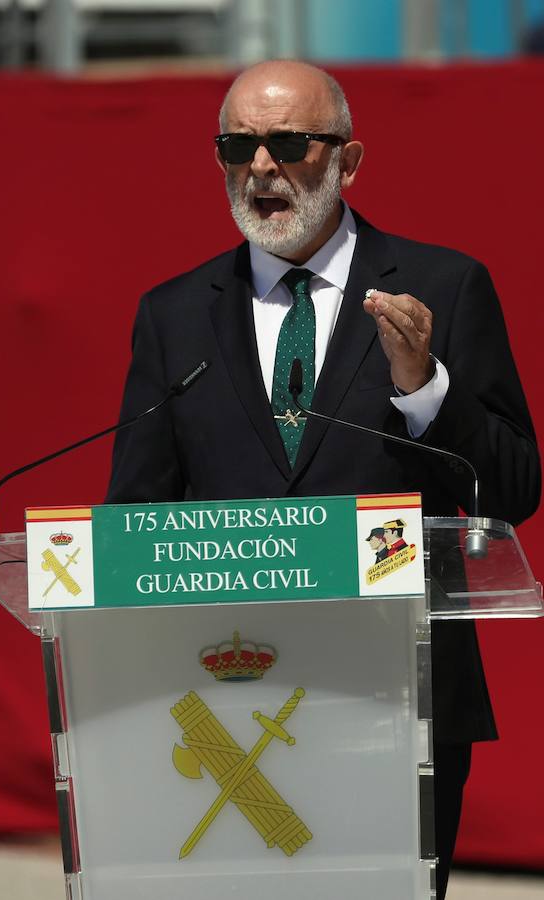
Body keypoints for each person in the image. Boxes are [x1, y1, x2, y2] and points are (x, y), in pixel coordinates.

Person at [107, 60, 540, 898]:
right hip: (227, 698)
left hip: (397, 700)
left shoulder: (442, 287)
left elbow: (514, 487)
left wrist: (425, 388)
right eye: (238, 144)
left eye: (288, 143)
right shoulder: (174, 314)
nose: (261, 167)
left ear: (349, 160)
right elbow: (136, 522)